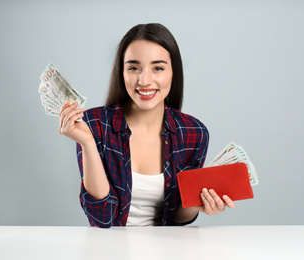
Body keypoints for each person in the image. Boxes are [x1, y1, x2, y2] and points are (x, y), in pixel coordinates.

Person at [59, 23, 235, 228]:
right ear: (121, 72)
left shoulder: (194, 133)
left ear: (173, 73)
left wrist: (199, 203)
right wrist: (88, 143)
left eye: (158, 68)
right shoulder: (93, 125)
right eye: (133, 68)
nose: (144, 80)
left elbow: (177, 220)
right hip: (108, 249)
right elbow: (101, 219)